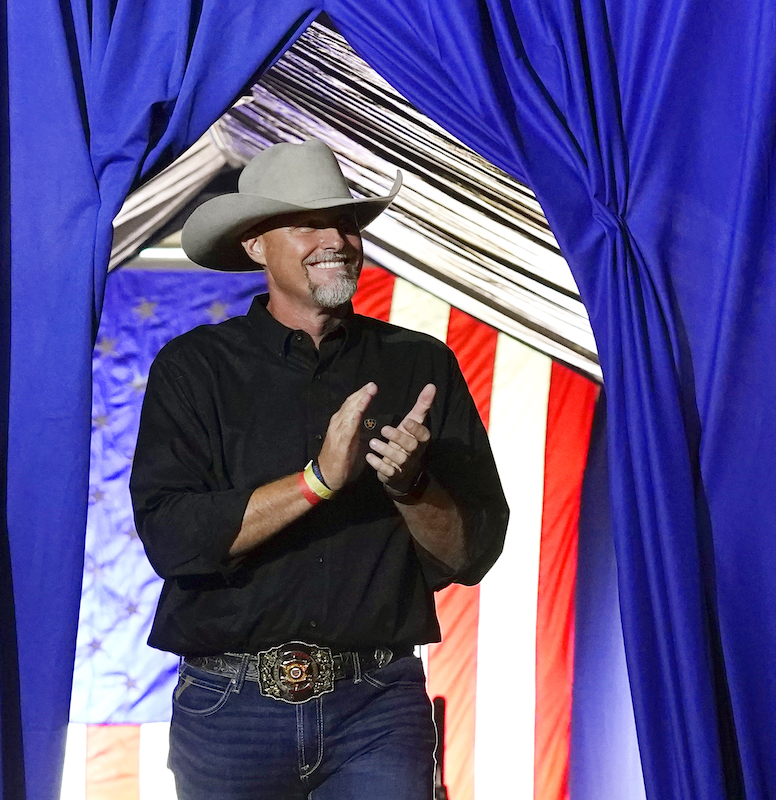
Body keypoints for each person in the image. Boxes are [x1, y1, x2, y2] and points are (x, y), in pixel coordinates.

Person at [130, 139, 508, 800]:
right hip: (230, 709)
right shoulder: (194, 369)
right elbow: (173, 539)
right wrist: (318, 482)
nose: (335, 238)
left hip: (377, 706)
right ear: (255, 247)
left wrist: (410, 487)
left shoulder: (421, 366)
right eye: (307, 222)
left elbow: (469, 555)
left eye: (347, 222)